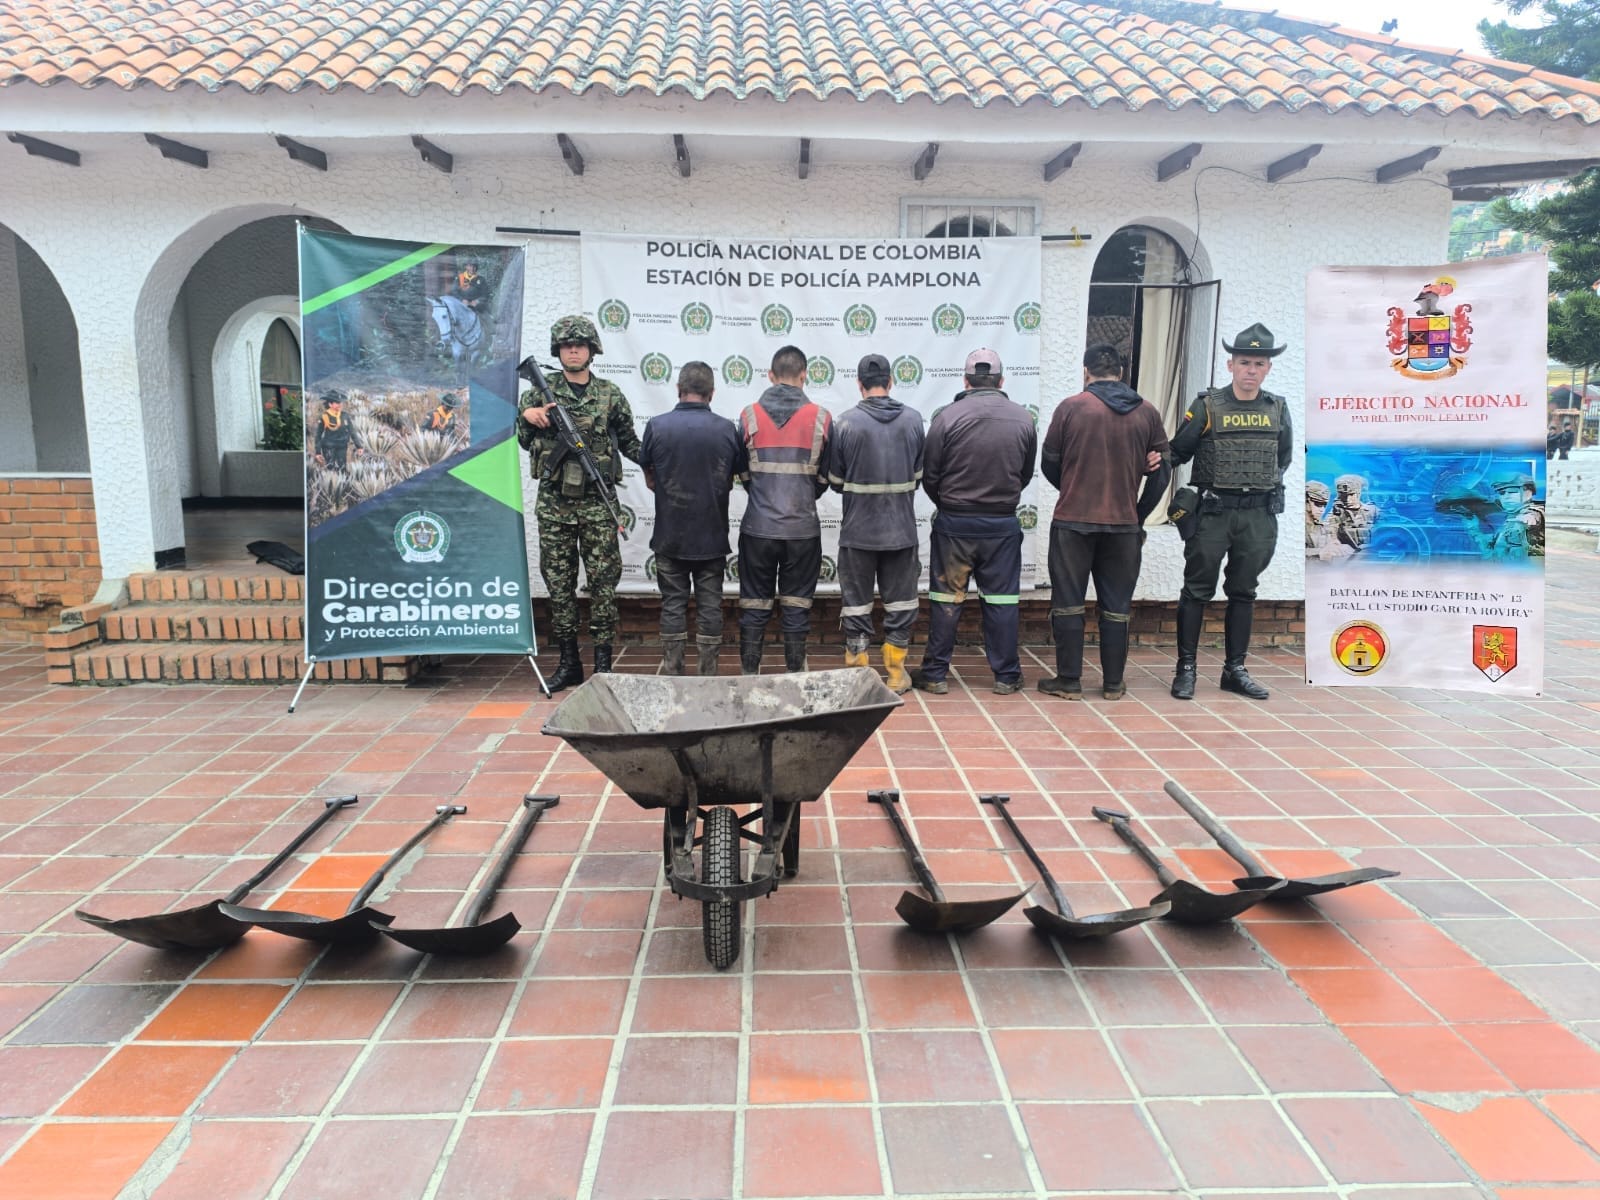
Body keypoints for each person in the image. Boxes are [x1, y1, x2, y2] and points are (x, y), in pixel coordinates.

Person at [1037, 343, 1170, 701]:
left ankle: (1069, 681)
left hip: (1073, 522)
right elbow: (1162, 473)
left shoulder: (1070, 408)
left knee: (1068, 602)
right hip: (1124, 526)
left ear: (1086, 371)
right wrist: (1138, 513)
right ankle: (1113, 683)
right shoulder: (1147, 413)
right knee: (1116, 607)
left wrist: (1072, 486)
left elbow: (1049, 462)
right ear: (1122, 374)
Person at [1168, 322, 1293, 702]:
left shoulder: (1277, 408)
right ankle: (1186, 669)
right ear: (1230, 365)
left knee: (1244, 592)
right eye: (1244, 362)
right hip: (1214, 514)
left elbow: (1282, 459)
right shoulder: (1207, 406)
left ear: (1268, 367)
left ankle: (1235, 670)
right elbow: (1178, 452)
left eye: (1258, 363)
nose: (1251, 370)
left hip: (1257, 516)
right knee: (1196, 591)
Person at [517, 315, 641, 692]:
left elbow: (631, 442)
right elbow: (523, 441)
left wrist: (664, 460)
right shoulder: (539, 392)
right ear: (558, 350)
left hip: (599, 507)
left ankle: (603, 666)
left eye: (581, 344)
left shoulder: (610, 394)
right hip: (555, 508)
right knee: (559, 585)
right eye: (567, 345)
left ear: (592, 350)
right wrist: (527, 416)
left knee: (603, 585)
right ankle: (569, 663)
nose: (573, 349)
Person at [910, 347, 1037, 695]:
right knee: (1002, 601)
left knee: (946, 600)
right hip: (1001, 525)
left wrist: (951, 504)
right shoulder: (1024, 419)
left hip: (955, 525)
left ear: (966, 381)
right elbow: (1024, 475)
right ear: (1001, 380)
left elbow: (931, 475)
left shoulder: (947, 418)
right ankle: (1006, 677)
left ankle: (935, 674)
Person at [639, 361, 747, 676]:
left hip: (669, 535)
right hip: (711, 536)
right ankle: (707, 672)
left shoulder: (656, 426)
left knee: (673, 603)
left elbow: (649, 474)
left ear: (678, 389)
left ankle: (673, 671)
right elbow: (733, 476)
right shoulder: (727, 429)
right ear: (711, 393)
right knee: (710, 605)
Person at [826, 352, 925, 693]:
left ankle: (858, 674)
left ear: (859, 383)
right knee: (901, 602)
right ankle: (896, 674)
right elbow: (917, 476)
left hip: (858, 532)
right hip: (901, 531)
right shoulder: (914, 421)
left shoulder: (844, 424)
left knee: (856, 602)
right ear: (891, 381)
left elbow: (836, 481)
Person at [736, 345, 833, 674]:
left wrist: (763, 495)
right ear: (804, 375)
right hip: (802, 529)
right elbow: (824, 478)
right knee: (796, 606)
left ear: (771, 376)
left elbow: (744, 475)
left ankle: (750, 674)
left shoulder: (748, 415)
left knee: (754, 604)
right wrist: (804, 496)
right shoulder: (822, 417)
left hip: (757, 528)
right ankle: (794, 674)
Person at [1474, 472, 1545, 559]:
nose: (1506, 497)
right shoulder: (1510, 517)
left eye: (1512, 492)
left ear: (1528, 493)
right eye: (1502, 493)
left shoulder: (1531, 513)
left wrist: (1530, 517)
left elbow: (1536, 513)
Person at [1327, 474, 1378, 551]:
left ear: (1358, 493)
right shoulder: (1336, 513)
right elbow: (1327, 533)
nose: (1348, 500)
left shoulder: (1372, 511)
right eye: (1344, 495)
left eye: (1351, 495)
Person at [313, 390, 360, 470]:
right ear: (330, 404)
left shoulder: (345, 416)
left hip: (342, 446)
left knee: (342, 468)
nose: (340, 405)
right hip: (328, 447)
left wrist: (359, 446)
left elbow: (352, 431)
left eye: (340, 402)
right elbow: (318, 435)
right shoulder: (324, 417)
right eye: (337, 403)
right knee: (330, 467)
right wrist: (318, 452)